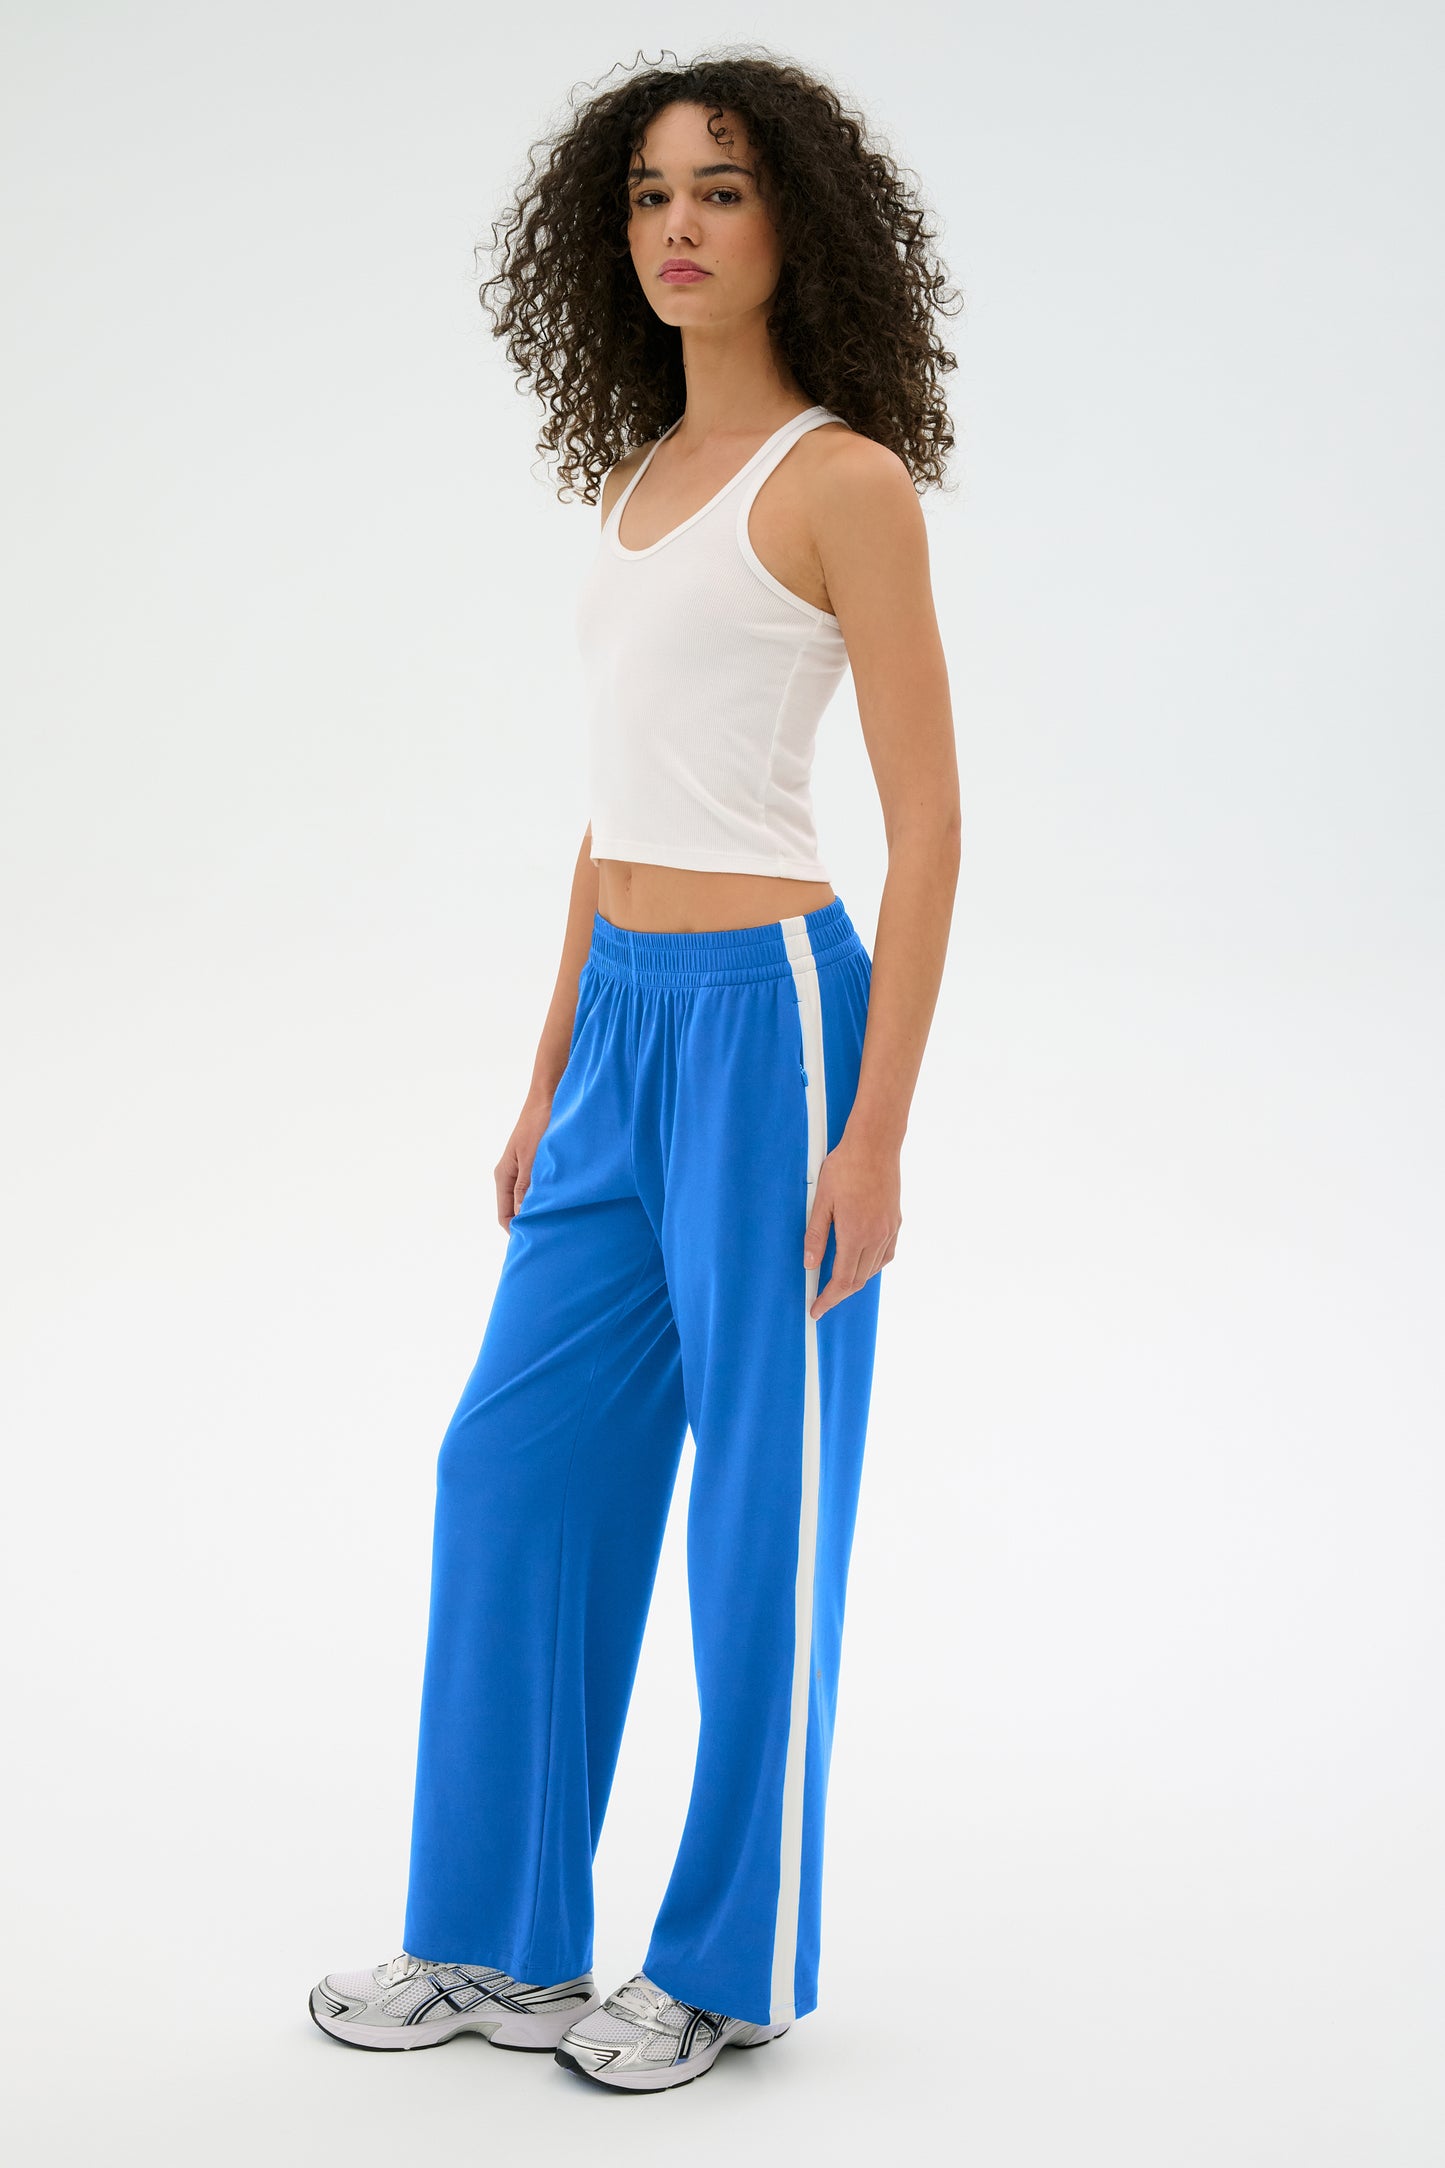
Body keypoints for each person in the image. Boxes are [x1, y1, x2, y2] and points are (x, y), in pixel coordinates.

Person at [308, 49, 961, 2093]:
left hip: (776, 1022)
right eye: (653, 195)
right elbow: (614, 811)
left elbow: (931, 825)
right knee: (512, 1465)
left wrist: (876, 1133)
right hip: (626, 1031)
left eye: (726, 190)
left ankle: (732, 1962)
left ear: (797, 230)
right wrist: (547, 1070)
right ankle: (500, 1940)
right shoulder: (640, 486)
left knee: (760, 1511)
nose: (680, 224)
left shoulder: (839, 483)